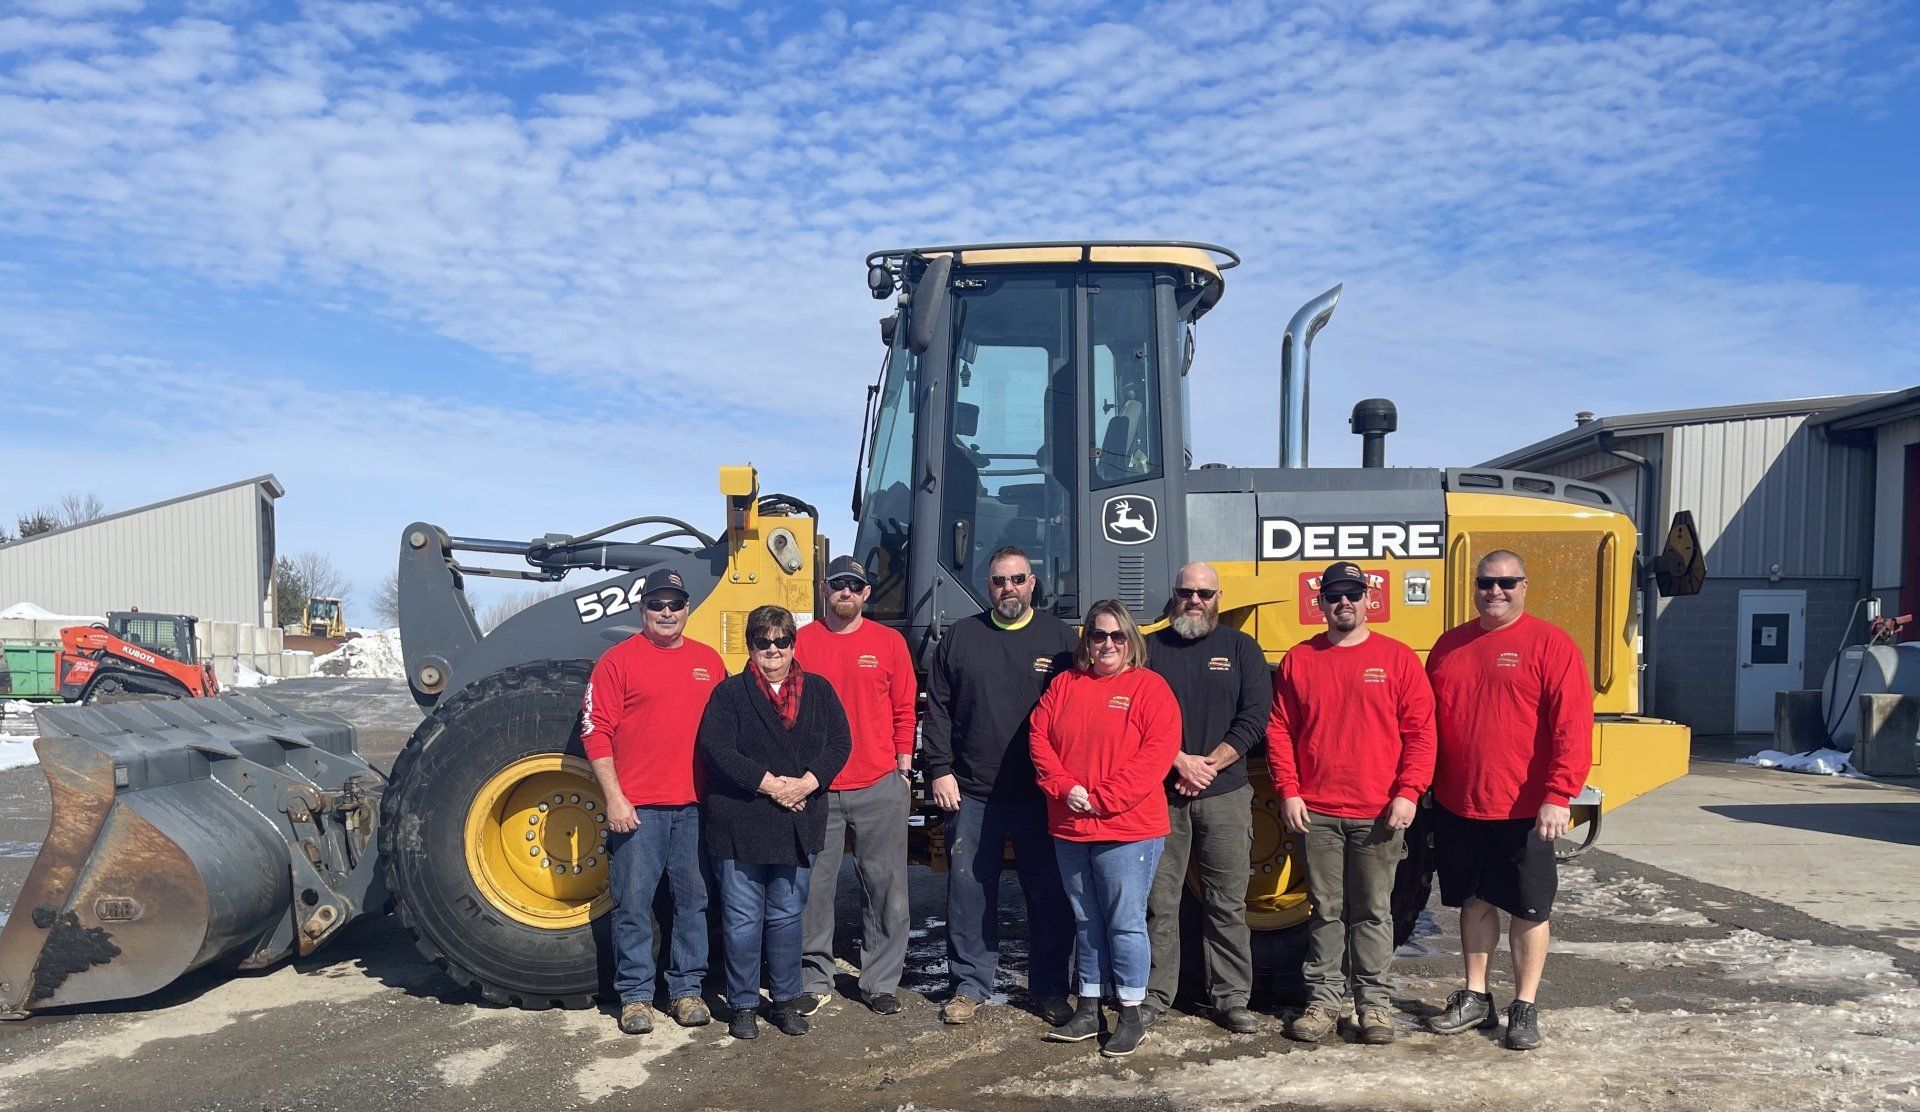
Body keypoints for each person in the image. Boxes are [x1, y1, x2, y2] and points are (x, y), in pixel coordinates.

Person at [1423, 550, 1593, 1051]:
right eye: (1485, 583)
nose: (1494, 591)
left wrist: (1559, 795)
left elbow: (1572, 728)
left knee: (1529, 908)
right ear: (1473, 588)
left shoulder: (1551, 645)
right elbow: (1428, 723)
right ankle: (1476, 997)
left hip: (1526, 808)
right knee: (1473, 902)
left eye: (1506, 582)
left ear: (1525, 586)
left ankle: (1524, 1006)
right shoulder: (1450, 646)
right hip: (1459, 803)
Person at [1267, 561, 1436, 1045]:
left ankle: (1374, 1007)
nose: (1345, 602)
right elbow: (1280, 730)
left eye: (1353, 594)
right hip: (1316, 812)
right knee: (1325, 911)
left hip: (1378, 813)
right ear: (1321, 604)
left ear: (1369, 601)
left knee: (1374, 912)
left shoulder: (1399, 659)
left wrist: (1409, 792)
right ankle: (1322, 1003)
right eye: (1335, 595)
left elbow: (1421, 734)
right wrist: (1288, 790)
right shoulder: (1300, 660)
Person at [921, 545, 1077, 1027]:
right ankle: (969, 984)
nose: (1007, 588)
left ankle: (1050, 988)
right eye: (997, 581)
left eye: (1016, 579)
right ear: (987, 586)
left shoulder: (1060, 638)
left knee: (1049, 894)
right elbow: (938, 708)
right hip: (973, 791)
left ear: (1033, 582)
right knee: (969, 891)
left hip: (1041, 794)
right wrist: (939, 769)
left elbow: (1078, 712)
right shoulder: (962, 637)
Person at [1029, 599, 1182, 1057]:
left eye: (1117, 636)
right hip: (1072, 825)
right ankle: (1089, 1006)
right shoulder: (1064, 686)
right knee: (1086, 920)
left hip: (1128, 827)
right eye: (1099, 635)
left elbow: (1154, 756)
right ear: (1087, 641)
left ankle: (1131, 1012)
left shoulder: (1150, 688)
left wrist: (1102, 800)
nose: (1108, 644)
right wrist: (1064, 788)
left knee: (1126, 922)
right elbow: (1039, 739)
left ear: (1131, 641)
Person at [696, 605, 852, 1040]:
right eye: (763, 642)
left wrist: (806, 783)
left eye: (782, 641)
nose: (773, 650)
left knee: (786, 915)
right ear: (750, 646)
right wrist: (769, 784)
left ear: (793, 645)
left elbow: (841, 743)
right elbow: (717, 749)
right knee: (743, 917)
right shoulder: (729, 695)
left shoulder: (819, 691)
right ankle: (744, 1003)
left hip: (798, 822)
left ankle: (784, 1001)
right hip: (740, 822)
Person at [582, 566, 726, 1036]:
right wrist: (615, 798)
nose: (667, 612)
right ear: (642, 610)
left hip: (696, 808)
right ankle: (636, 996)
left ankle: (686, 990)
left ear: (687, 609)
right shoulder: (616, 661)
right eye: (657, 604)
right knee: (632, 905)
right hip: (637, 809)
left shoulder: (709, 661)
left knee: (694, 903)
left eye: (675, 604)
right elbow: (595, 732)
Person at [1141, 562, 1267, 1034]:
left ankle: (1231, 999)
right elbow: (1136, 717)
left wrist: (1208, 764)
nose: (1195, 601)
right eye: (1186, 592)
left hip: (1226, 794)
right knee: (1160, 902)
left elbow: (1255, 717)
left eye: (1205, 594)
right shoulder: (1149, 649)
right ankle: (1155, 995)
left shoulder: (1241, 648)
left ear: (1219, 597)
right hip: (1161, 796)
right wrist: (1178, 761)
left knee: (1227, 902)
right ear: (1173, 594)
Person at [793, 555, 917, 1017]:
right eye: (837, 584)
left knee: (886, 888)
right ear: (825, 590)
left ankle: (880, 981)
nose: (845, 592)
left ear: (866, 594)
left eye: (854, 585)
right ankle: (813, 975)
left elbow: (906, 709)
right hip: (817, 788)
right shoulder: (801, 643)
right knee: (812, 888)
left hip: (878, 783)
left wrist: (902, 767)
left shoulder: (889, 643)